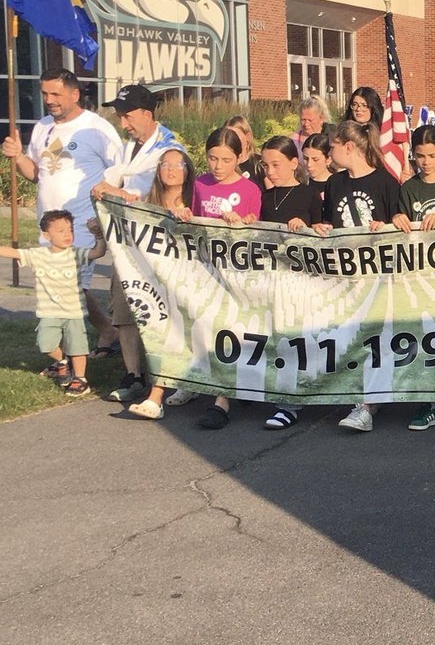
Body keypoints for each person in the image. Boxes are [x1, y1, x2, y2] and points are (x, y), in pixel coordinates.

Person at [1, 68, 120, 350]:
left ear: (74, 94)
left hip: (83, 222)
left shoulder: (96, 128)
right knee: (65, 286)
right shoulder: (42, 127)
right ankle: (104, 332)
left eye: (56, 93)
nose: (50, 99)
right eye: (45, 94)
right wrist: (17, 156)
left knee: (71, 286)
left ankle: (71, 355)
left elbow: (119, 168)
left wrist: (104, 195)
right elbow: (36, 173)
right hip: (49, 224)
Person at [91, 84, 187, 395]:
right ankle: (133, 375)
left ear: (147, 114)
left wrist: (118, 194)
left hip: (158, 246)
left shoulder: (169, 149)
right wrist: (110, 193)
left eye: (128, 116)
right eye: (120, 117)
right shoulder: (127, 148)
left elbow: (159, 197)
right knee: (124, 309)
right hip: (126, 243)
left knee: (161, 312)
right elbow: (107, 183)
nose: (124, 124)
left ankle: (168, 374)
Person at [314, 121, 401, 434]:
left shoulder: (386, 182)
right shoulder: (336, 183)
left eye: (332, 146)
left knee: (375, 339)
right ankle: (357, 397)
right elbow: (329, 223)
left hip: (377, 277)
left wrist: (389, 227)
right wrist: (319, 229)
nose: (330, 152)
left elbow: (399, 226)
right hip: (345, 275)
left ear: (348, 147)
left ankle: (366, 405)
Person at [0, 210, 106, 397]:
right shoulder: (38, 255)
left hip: (74, 312)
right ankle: (63, 362)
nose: (67, 235)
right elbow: (13, 252)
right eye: (61, 231)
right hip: (49, 312)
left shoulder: (76, 254)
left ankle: (80, 379)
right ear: (46, 235)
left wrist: (99, 236)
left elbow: (98, 252)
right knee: (45, 344)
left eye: (70, 230)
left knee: (78, 347)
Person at [392, 125, 435, 432]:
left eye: (432, 155)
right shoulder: (408, 189)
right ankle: (427, 401)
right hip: (420, 273)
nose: (426, 162)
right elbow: (401, 229)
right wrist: (397, 220)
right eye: (420, 156)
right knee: (424, 335)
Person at [194, 127, 265, 431]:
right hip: (206, 270)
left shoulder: (251, 190)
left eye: (225, 159)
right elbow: (194, 225)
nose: (218, 166)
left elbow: (260, 235)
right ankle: (218, 395)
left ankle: (234, 392)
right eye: (212, 158)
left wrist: (244, 225)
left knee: (236, 331)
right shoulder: (199, 184)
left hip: (238, 274)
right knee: (211, 329)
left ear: (240, 158)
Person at [256, 135, 324, 432]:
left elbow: (325, 232)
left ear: (294, 164)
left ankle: (295, 401)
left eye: (276, 164)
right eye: (265, 165)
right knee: (277, 338)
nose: (270, 171)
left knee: (299, 339)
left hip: (303, 281)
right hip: (272, 279)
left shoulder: (308, 195)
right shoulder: (264, 195)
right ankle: (282, 399)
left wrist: (306, 228)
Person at [125, 149, 199, 419]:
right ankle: (159, 394)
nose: (169, 169)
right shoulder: (148, 202)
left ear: (187, 170)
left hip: (188, 278)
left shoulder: (195, 200)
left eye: (176, 164)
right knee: (164, 332)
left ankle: (166, 392)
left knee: (182, 333)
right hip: (156, 280)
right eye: (164, 164)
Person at [225, 114, 265, 184]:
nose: (231, 140)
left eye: (236, 136)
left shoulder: (259, 164)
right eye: (227, 136)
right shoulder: (224, 164)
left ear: (247, 137)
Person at [302, 132, 334, 205]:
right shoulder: (301, 182)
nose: (309, 164)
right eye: (306, 158)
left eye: (315, 159)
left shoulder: (337, 184)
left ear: (328, 159)